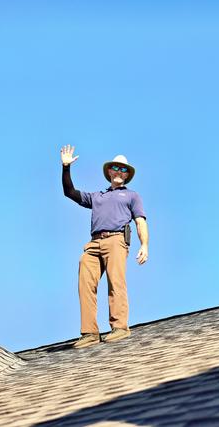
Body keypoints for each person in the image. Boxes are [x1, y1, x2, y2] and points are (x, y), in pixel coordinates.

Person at [60, 145, 149, 348]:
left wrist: (144, 245)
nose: (119, 172)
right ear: (109, 171)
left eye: (123, 170)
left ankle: (120, 327)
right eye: (116, 168)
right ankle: (89, 332)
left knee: (116, 281)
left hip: (116, 240)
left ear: (127, 176)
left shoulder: (132, 196)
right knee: (85, 281)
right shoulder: (97, 196)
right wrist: (66, 168)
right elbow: (70, 192)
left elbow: (141, 221)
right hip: (94, 242)